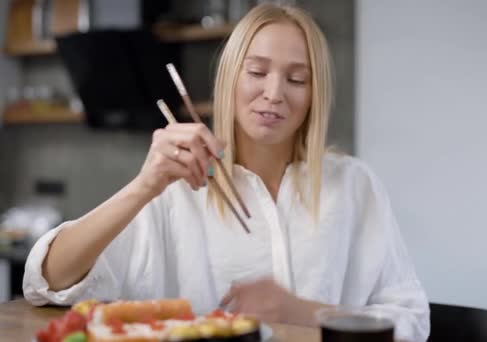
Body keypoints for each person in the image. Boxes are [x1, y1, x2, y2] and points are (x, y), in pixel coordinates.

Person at [23, 4, 430, 341]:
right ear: (231, 77)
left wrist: (301, 312)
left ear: (314, 93)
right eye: (256, 72)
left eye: (296, 78)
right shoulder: (177, 187)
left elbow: (413, 321)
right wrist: (144, 185)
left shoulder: (355, 186)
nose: (273, 93)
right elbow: (47, 281)